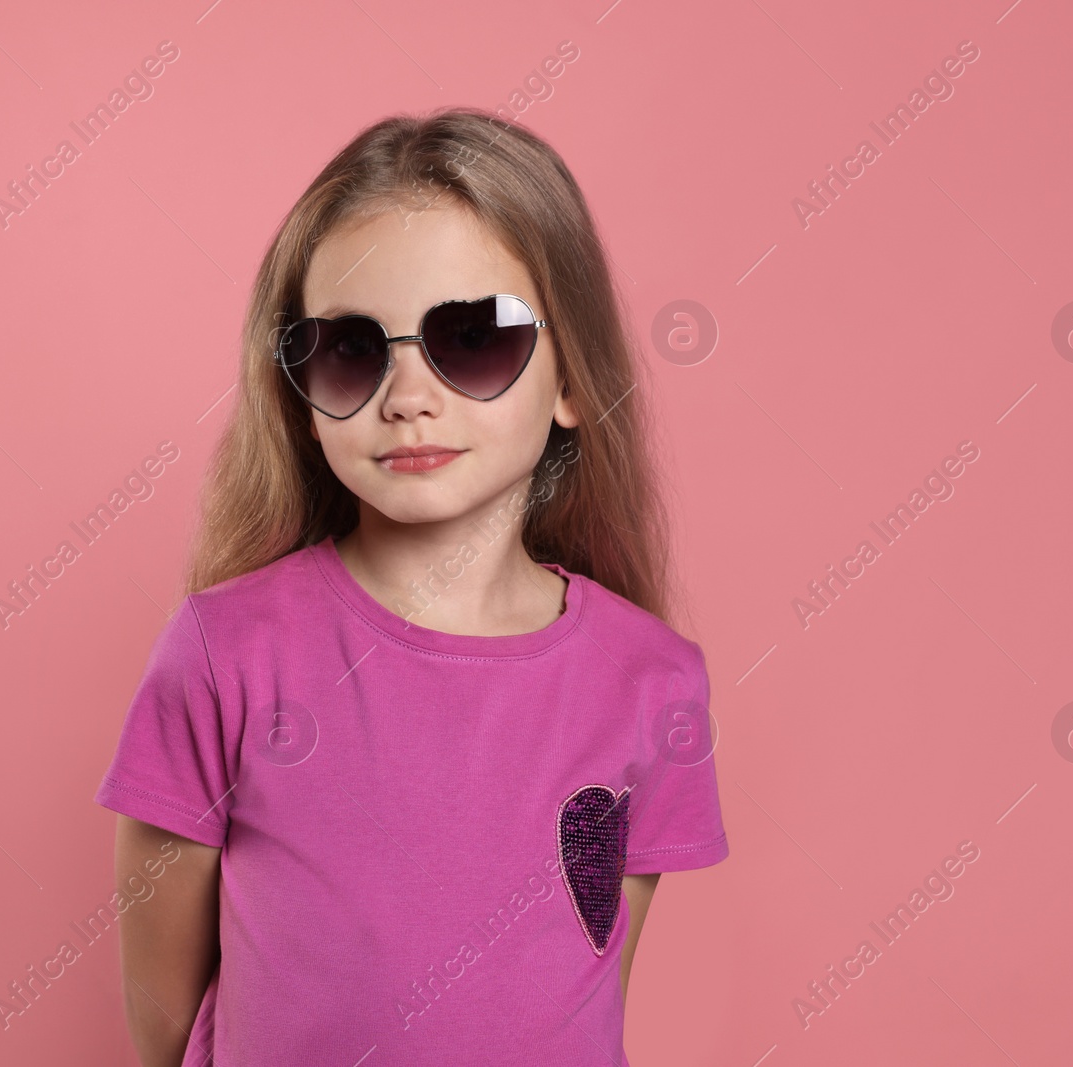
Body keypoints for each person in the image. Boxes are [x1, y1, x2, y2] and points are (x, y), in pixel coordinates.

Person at [94, 106, 729, 1067]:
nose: (407, 395)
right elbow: (165, 1012)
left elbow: (593, 986)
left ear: (571, 379)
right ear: (300, 400)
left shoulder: (654, 682)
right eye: (350, 350)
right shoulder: (227, 651)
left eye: (472, 337)